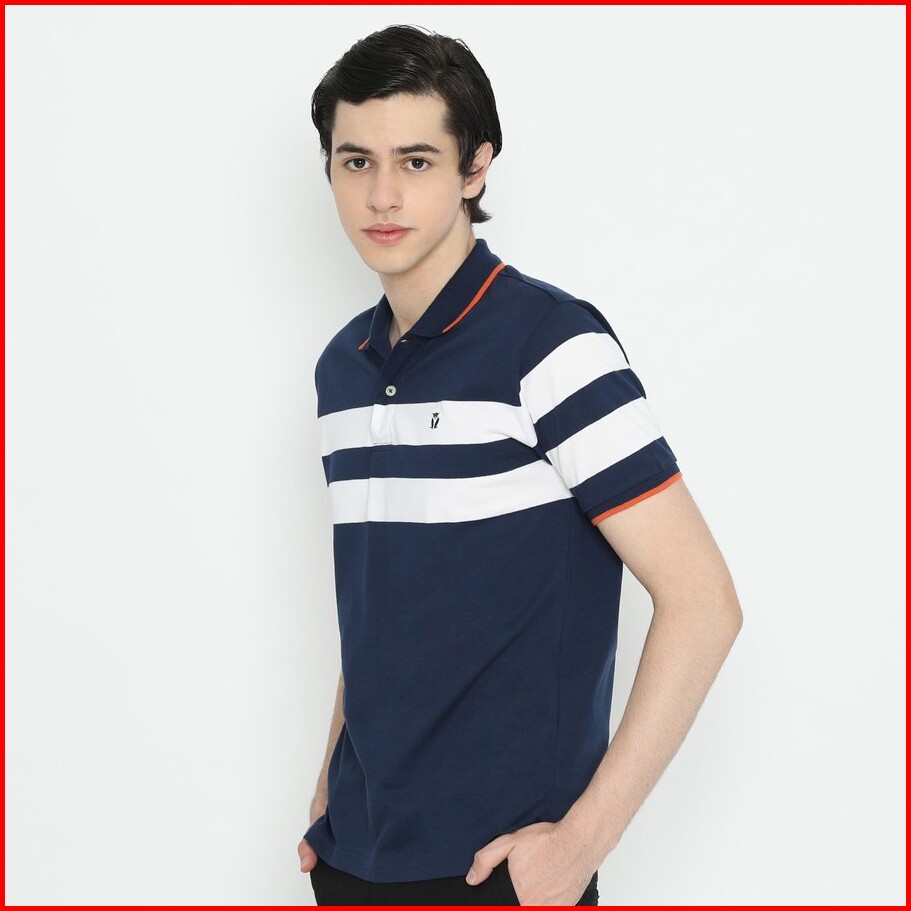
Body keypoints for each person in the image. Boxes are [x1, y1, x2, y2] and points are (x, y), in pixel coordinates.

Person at [297, 24, 742, 907]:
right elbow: (382, 604)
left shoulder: (551, 344)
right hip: (353, 860)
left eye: (416, 160)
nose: (382, 194)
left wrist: (579, 844)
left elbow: (703, 602)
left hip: (499, 870)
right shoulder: (341, 368)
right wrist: (327, 788)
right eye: (356, 161)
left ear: (475, 169)